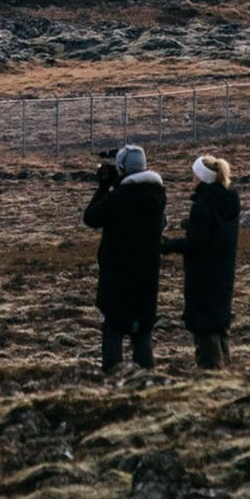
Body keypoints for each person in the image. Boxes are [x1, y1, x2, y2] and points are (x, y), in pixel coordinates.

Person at [82, 143, 167, 373]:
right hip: (147, 277)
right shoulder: (157, 195)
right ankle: (148, 381)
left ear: (122, 168)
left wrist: (104, 186)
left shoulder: (120, 197)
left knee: (113, 330)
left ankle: (113, 379)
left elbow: (91, 217)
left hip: (117, 277)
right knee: (142, 334)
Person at [162, 154, 241, 369]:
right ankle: (226, 370)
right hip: (222, 272)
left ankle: (211, 373)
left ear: (201, 177)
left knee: (204, 326)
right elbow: (215, 233)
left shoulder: (203, 205)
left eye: (194, 175)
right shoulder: (227, 202)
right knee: (218, 325)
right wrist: (192, 225)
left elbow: (197, 243)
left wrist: (168, 246)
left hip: (203, 275)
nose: (191, 179)